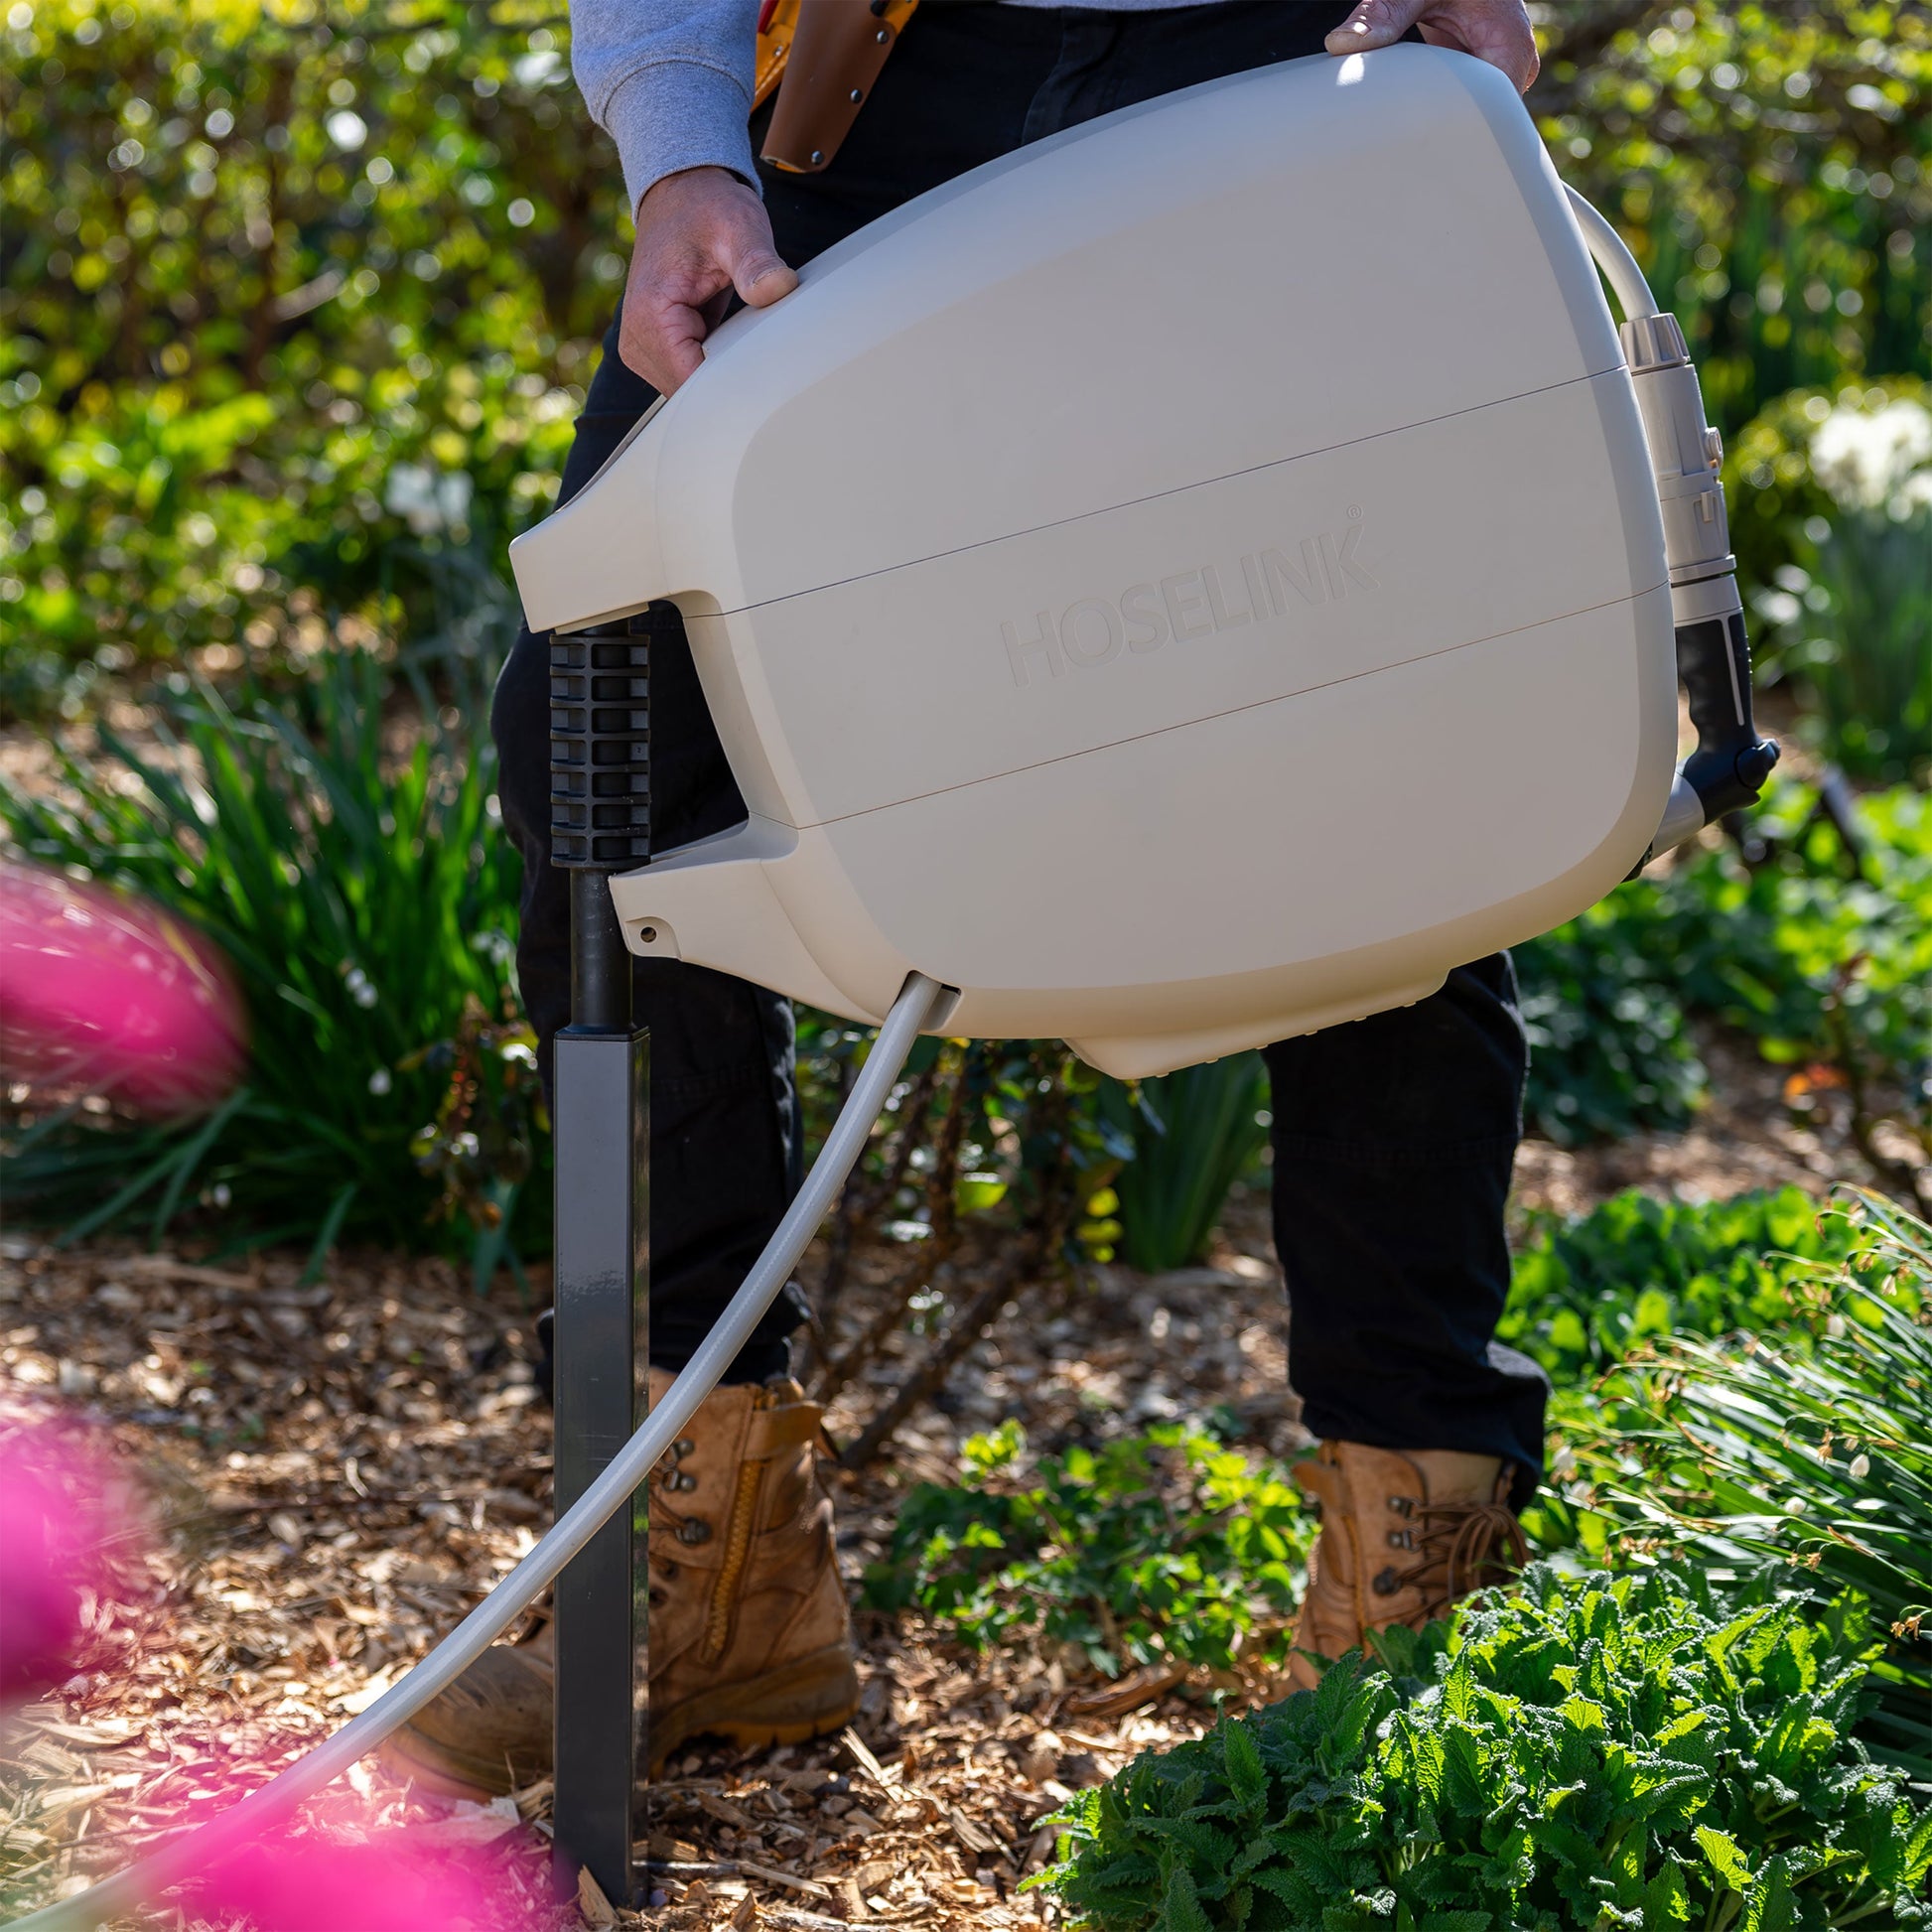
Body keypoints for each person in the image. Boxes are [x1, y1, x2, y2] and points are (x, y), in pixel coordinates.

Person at [385, 0, 1547, 1799]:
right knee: (604, 763)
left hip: (1287, 63)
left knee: (1374, 775)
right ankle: (710, 1584)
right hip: (880, 93)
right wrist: (685, 143)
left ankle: (1418, 1613)